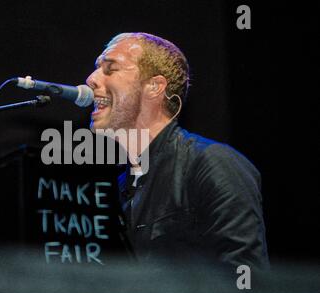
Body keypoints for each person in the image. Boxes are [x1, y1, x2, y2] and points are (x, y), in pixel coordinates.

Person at [85, 32, 269, 271]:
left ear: (154, 86)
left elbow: (246, 279)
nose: (91, 79)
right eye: (97, 68)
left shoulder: (211, 162)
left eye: (111, 68)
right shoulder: (117, 187)